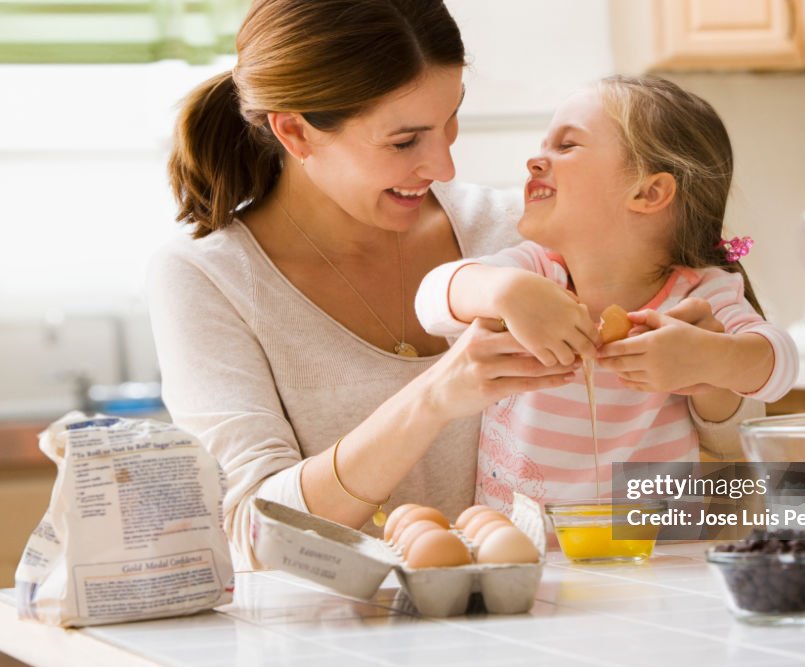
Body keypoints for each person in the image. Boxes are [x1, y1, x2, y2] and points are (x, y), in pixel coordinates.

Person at [149, 0, 762, 567]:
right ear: (297, 132)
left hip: (568, 611)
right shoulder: (208, 276)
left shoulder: (525, 233)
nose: (443, 166)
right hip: (344, 650)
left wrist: (711, 393)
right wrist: (434, 397)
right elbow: (255, 534)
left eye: (450, 121)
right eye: (404, 140)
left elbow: (734, 469)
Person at [415, 75, 798, 509]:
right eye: (544, 145)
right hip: (521, 550)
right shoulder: (533, 272)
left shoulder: (696, 298)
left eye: (566, 146)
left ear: (648, 192)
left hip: (652, 552)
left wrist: (707, 359)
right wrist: (501, 289)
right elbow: (429, 300)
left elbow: (780, 365)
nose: (535, 160)